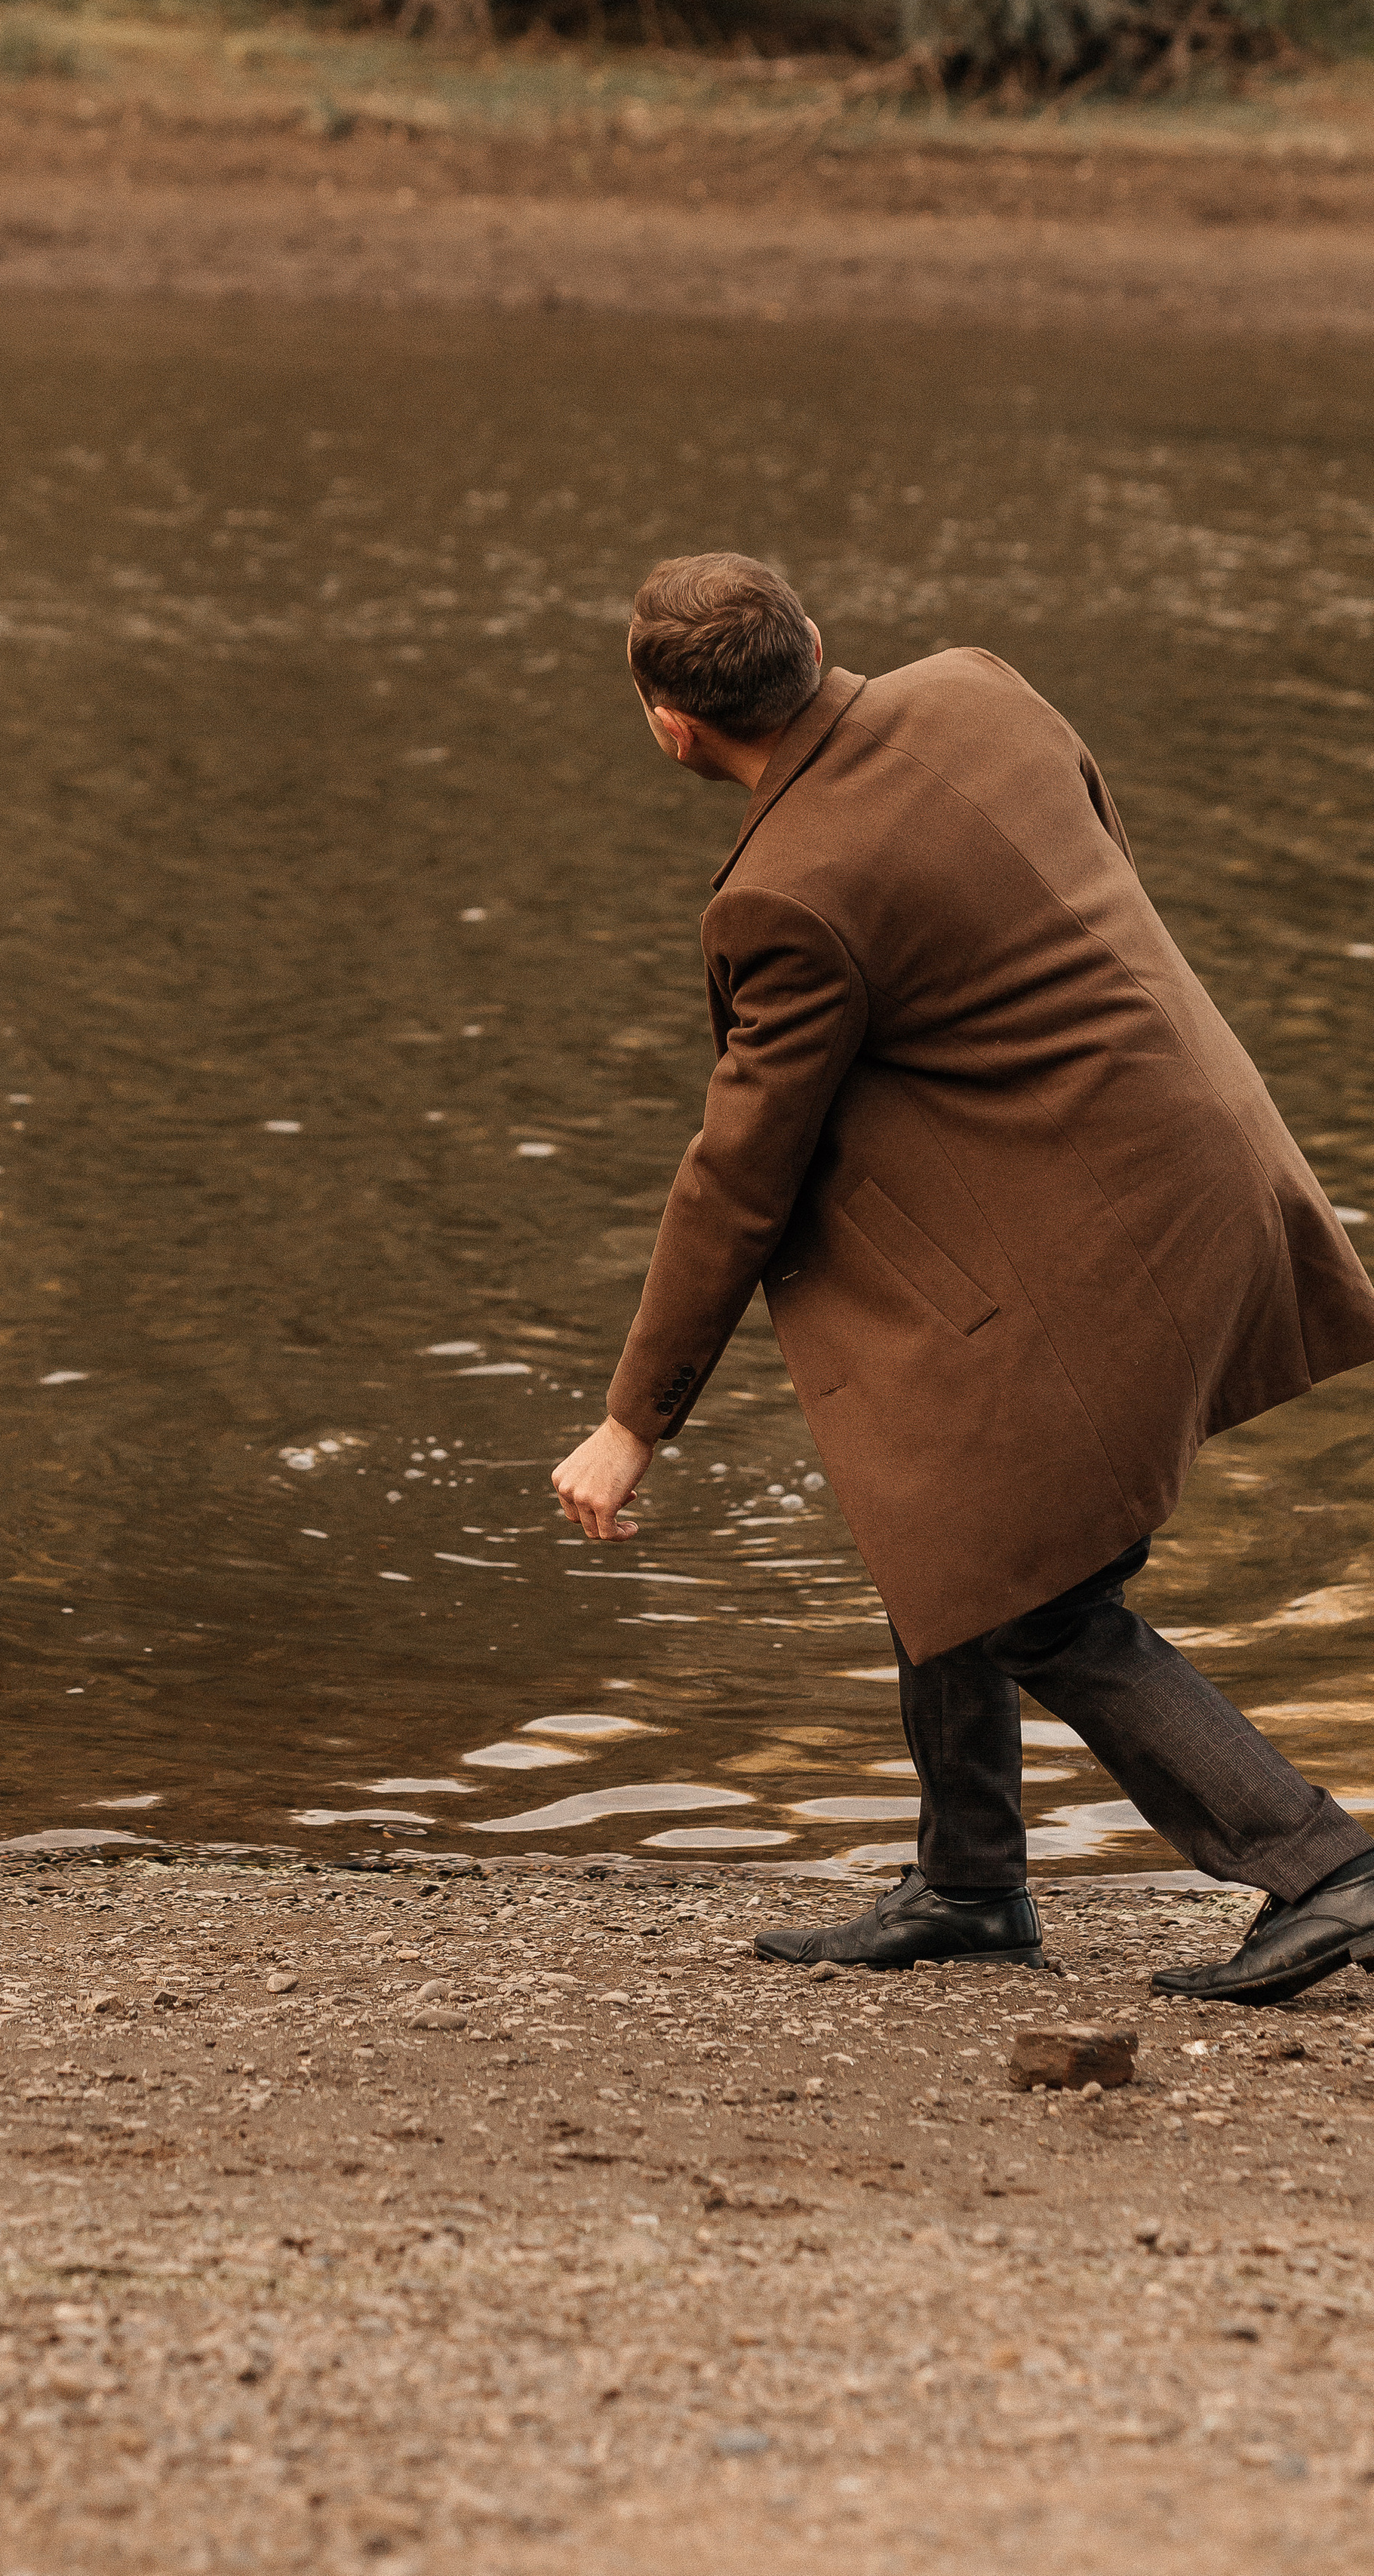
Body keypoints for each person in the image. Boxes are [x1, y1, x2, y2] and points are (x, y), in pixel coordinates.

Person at [549, 553, 1374, 2005]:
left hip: (1100, 1225)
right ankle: (971, 1882)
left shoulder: (785, 895)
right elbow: (1084, 882)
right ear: (812, 640)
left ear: (670, 723)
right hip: (1197, 1146)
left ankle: (1322, 1867)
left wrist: (633, 1422)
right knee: (943, 1512)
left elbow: (739, 1174)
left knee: (1043, 1599)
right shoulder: (977, 688)